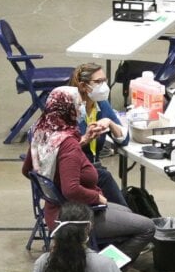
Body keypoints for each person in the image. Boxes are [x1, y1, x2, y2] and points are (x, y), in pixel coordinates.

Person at [28, 85, 154, 261]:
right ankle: (107, 270)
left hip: (54, 209)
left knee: (126, 211)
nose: (82, 108)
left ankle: (97, 262)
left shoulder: (42, 132)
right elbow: (71, 189)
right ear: (68, 108)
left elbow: (28, 170)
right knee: (147, 227)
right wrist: (97, 198)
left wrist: (51, 185)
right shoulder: (68, 143)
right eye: (78, 104)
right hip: (75, 216)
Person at [72, 62, 127, 160]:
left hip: (93, 166)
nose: (104, 86)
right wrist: (85, 139)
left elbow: (124, 140)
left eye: (104, 81)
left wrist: (110, 123)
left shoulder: (102, 104)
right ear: (83, 86)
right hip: (72, 167)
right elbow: (62, 151)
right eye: (98, 82)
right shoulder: (69, 108)